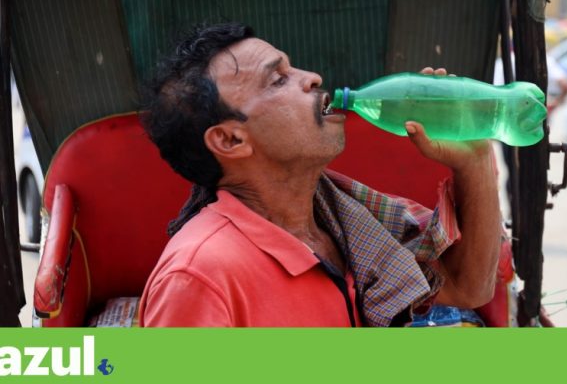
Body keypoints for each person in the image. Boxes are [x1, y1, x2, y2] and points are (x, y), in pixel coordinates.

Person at [138, 23, 502, 327]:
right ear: (231, 139)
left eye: (293, 68)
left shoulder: (341, 223)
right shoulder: (199, 276)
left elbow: (468, 287)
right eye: (277, 80)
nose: (312, 78)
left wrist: (474, 156)